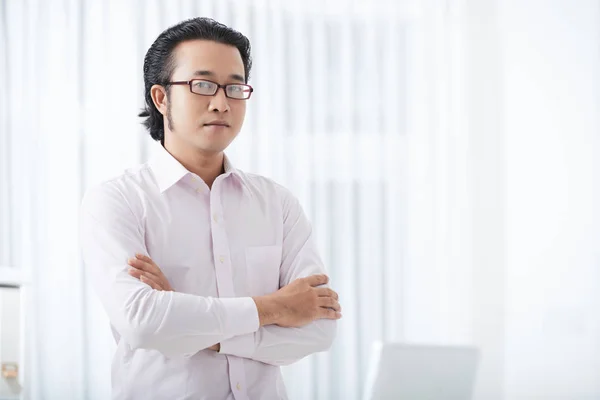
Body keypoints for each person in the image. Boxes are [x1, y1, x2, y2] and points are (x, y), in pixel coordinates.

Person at [79, 17, 341, 400]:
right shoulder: (117, 201)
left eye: (235, 87)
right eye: (202, 85)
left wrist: (196, 329)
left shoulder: (277, 203)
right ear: (161, 97)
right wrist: (276, 307)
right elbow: (143, 322)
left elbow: (319, 330)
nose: (221, 102)